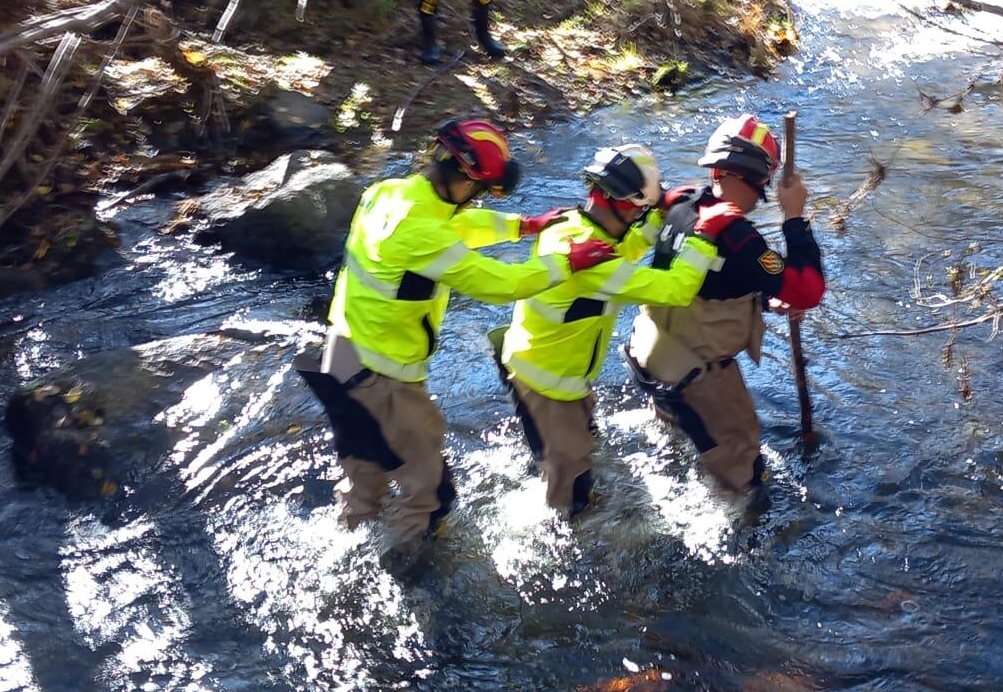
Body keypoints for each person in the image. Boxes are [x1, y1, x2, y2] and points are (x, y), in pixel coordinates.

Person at [299, 118, 613, 563]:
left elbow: (458, 226)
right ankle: (415, 582)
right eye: (481, 189)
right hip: (384, 378)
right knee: (431, 496)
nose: (480, 198)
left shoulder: (389, 193)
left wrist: (522, 226)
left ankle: (347, 543)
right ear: (464, 178)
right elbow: (501, 283)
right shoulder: (424, 234)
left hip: (339, 356)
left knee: (365, 472)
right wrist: (568, 263)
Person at [493, 144, 715, 519]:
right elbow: (676, 288)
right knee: (571, 502)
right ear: (627, 203)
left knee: (563, 457)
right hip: (550, 390)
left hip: (535, 369)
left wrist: (660, 215)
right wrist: (703, 238)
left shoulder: (572, 226)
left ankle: (550, 465)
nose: (643, 213)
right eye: (643, 207)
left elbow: (623, 245)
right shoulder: (591, 263)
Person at [625, 114, 825, 506]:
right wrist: (795, 219)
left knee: (676, 444)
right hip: (698, 378)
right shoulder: (738, 236)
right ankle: (743, 539)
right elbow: (808, 290)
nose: (762, 195)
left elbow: (707, 279)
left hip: (651, 357)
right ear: (752, 177)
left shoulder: (681, 202)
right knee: (745, 476)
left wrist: (767, 298)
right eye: (764, 185)